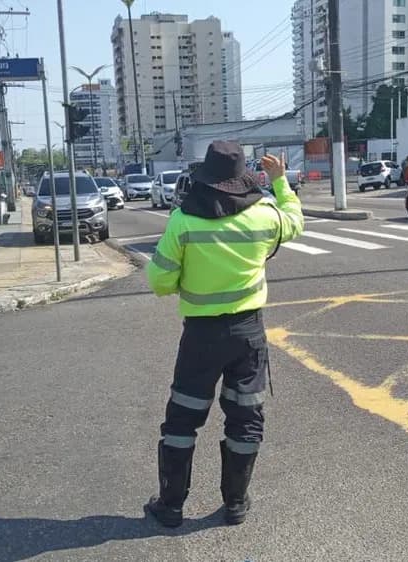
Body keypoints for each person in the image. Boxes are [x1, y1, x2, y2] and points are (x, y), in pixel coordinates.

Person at [145, 141, 304, 528]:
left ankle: (171, 506)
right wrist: (281, 183)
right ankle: (235, 503)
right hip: (248, 335)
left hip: (200, 337)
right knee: (245, 416)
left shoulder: (183, 220)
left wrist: (187, 278)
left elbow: (159, 281)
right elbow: (295, 223)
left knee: (183, 420)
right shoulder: (264, 215)